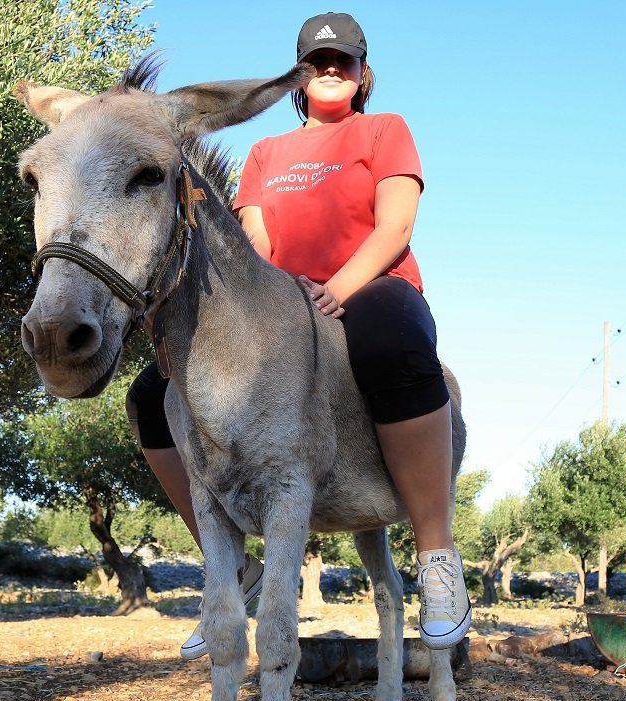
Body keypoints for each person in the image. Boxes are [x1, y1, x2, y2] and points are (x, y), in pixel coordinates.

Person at [125, 11, 470, 660]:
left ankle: (436, 557)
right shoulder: (265, 154)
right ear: (297, 79)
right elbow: (253, 245)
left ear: (365, 73)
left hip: (371, 288)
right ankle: (228, 574)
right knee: (150, 396)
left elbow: (394, 229)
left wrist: (336, 289)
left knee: (391, 338)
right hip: (283, 310)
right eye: (318, 62)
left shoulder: (385, 130)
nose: (332, 70)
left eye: (345, 60)